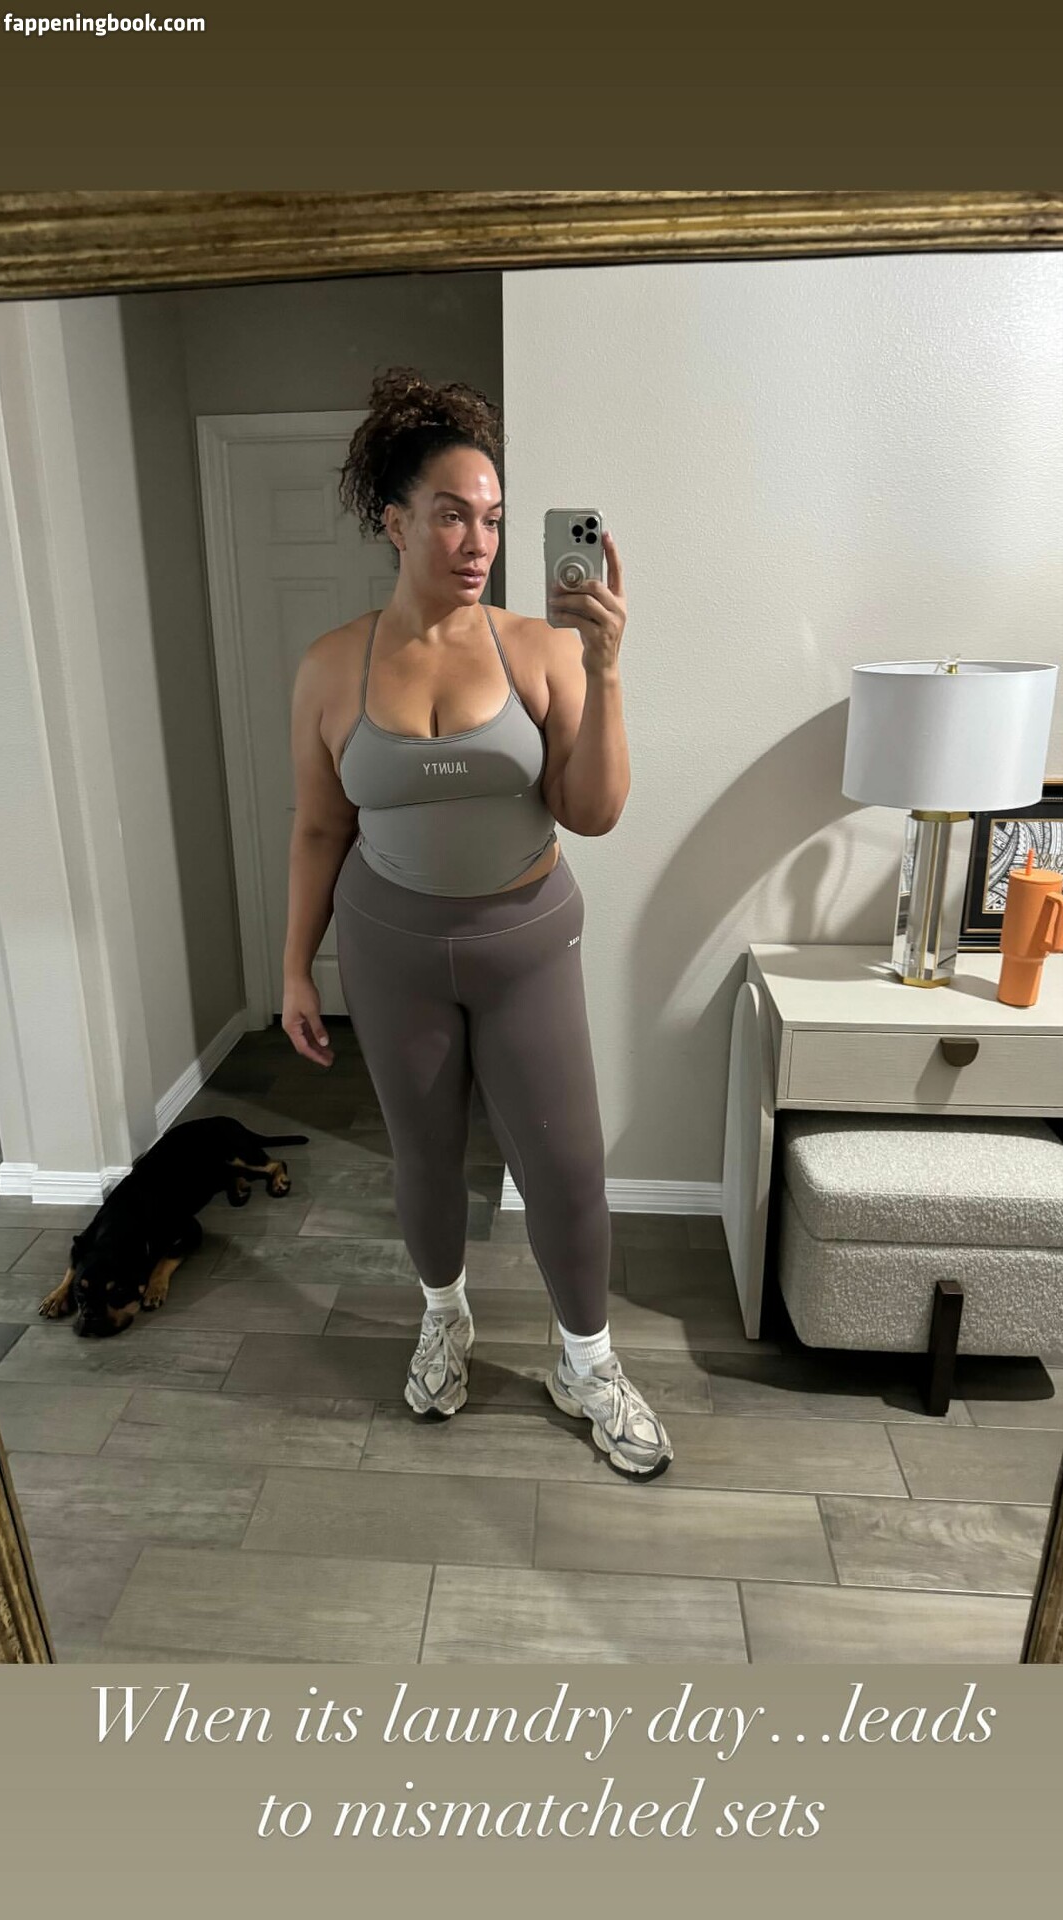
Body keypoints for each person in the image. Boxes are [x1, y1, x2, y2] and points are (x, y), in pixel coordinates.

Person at [282, 367, 672, 1481]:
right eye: (452, 514)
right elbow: (319, 829)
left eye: (493, 519)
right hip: (388, 948)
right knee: (423, 1157)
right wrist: (295, 968)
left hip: (524, 946)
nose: (479, 543)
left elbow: (593, 813)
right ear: (394, 519)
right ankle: (443, 1318)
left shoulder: (540, 648)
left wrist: (606, 667)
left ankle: (586, 1365)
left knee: (568, 1168)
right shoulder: (331, 666)